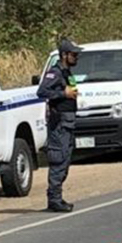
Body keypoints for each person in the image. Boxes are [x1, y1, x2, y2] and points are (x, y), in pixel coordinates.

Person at [37, 39, 82, 213]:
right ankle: (54, 199)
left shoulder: (67, 72)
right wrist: (63, 93)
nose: (76, 57)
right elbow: (41, 91)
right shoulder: (55, 73)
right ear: (64, 55)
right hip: (59, 124)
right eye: (74, 54)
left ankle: (57, 197)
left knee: (65, 160)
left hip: (68, 122)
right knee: (58, 158)